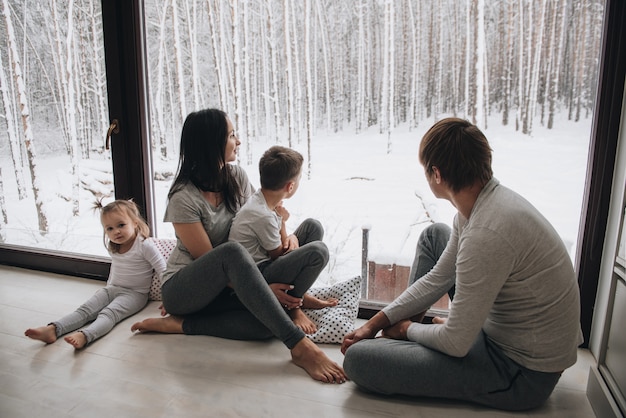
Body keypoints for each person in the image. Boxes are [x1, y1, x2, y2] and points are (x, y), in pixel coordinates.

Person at [341, 118, 583, 411]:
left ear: (437, 174)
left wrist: (406, 330)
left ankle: (415, 341)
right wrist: (377, 323)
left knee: (359, 360)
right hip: (499, 335)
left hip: (520, 374)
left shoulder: (486, 233)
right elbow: (438, 278)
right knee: (435, 235)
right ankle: (419, 341)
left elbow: (457, 343)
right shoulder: (481, 207)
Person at [130, 109, 346, 384]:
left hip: (240, 274)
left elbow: (259, 218)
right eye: (232, 135)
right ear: (212, 144)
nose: (239, 141)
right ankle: (299, 346)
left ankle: (292, 302)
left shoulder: (237, 177)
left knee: (267, 319)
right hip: (190, 286)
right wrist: (264, 290)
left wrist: (287, 235)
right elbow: (214, 262)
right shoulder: (183, 197)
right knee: (234, 258)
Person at [25, 199, 166, 349]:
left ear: (135, 223)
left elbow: (162, 269)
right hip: (111, 289)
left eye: (121, 225)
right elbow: (115, 270)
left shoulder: (144, 245)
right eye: (109, 228)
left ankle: (85, 335)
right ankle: (53, 329)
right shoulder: (114, 247)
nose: (116, 231)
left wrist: (169, 296)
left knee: (109, 314)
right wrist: (107, 290)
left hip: (135, 294)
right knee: (84, 310)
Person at [229, 145, 337, 334]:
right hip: (257, 273)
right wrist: (284, 225)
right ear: (290, 186)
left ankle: (299, 295)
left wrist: (291, 237)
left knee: (313, 226)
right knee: (319, 252)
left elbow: (280, 245)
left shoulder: (262, 199)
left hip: (266, 261)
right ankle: (293, 306)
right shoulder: (261, 214)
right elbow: (277, 254)